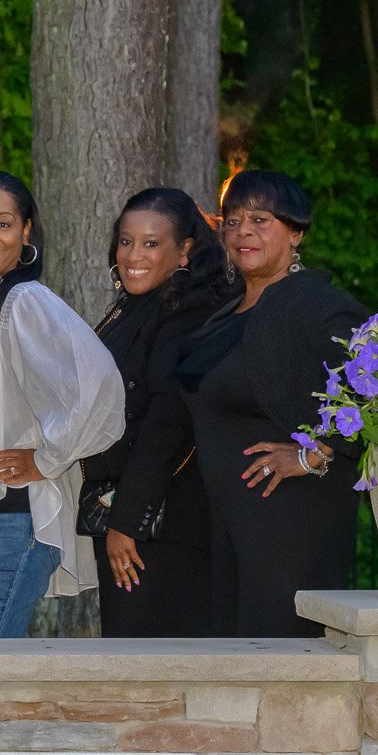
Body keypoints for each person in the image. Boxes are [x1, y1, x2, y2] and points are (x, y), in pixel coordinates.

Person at [112, 170, 366, 636]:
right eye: (232, 221)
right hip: (228, 532)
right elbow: (171, 419)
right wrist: (126, 514)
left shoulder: (313, 303)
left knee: (281, 670)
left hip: (289, 528)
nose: (242, 231)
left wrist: (315, 454)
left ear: (296, 232)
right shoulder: (225, 313)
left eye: (260, 219)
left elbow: (375, 387)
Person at [0, 171, 124, 638]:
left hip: (11, 516)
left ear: (26, 232)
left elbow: (98, 383)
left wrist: (47, 457)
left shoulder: (25, 300)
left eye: (2, 224)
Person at [82, 187, 230, 636]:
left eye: (150, 243)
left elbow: (167, 424)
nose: (132, 255)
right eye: (126, 241)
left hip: (162, 525)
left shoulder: (188, 312)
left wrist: (127, 522)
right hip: (133, 513)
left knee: (150, 662)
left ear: (184, 250)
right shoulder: (141, 305)